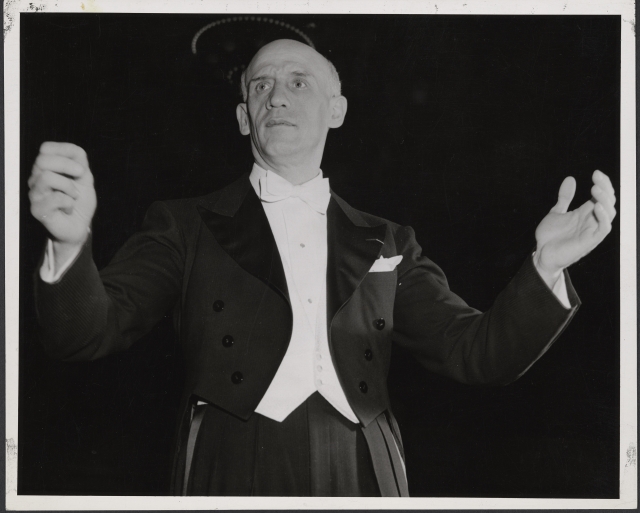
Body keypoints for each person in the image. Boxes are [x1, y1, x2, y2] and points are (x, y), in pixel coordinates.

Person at [28, 39, 617, 497]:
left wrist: (546, 267)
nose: (276, 96)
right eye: (260, 86)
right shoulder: (184, 225)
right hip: (230, 459)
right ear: (242, 116)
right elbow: (86, 333)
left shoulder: (389, 239)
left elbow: (477, 351)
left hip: (364, 460)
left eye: (297, 81)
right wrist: (70, 242)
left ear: (336, 110)